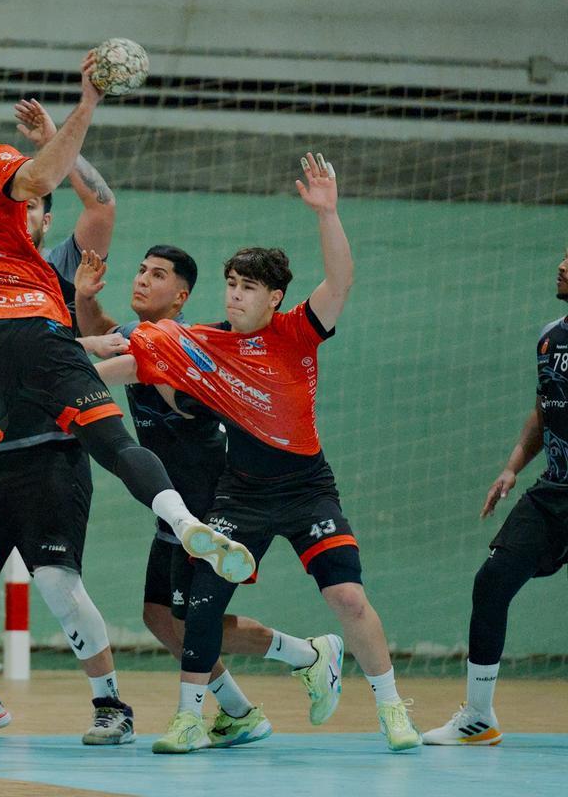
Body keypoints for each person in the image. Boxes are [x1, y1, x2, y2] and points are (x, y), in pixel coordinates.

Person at [0, 55, 255, 709]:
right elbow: (40, 174)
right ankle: (179, 518)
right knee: (113, 439)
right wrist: (85, 104)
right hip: (34, 326)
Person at [97, 154, 421, 753]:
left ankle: (393, 709)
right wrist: (75, 378)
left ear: (274, 297)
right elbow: (133, 363)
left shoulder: (299, 329)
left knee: (347, 596)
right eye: (232, 285)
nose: (237, 296)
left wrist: (327, 213)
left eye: (249, 288)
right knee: (199, 605)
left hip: (306, 488)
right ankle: (192, 719)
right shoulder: (207, 344)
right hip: (239, 493)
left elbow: (341, 281)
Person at [76, 244, 343, 748]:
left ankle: (306, 656)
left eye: (156, 276)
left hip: (200, 509)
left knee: (193, 620)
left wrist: (57, 373)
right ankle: (241, 711)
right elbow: (114, 339)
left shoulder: (182, 354)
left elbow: (118, 354)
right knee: (159, 616)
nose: (141, 280)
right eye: (139, 269)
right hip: (167, 508)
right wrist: (83, 298)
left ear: (179, 299)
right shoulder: (142, 337)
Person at [0, 98, 137, 745]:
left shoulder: (58, 266)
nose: (20, 211)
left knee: (57, 585)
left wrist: (56, 137)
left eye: (31, 204)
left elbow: (103, 206)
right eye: (13, 203)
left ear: (44, 212)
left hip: (48, 454)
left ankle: (111, 704)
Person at [424, 249, 568, 746]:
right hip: (553, 493)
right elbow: (543, 408)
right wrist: (511, 467)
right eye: (565, 256)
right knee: (492, 582)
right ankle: (479, 717)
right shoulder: (551, 337)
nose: (563, 265)